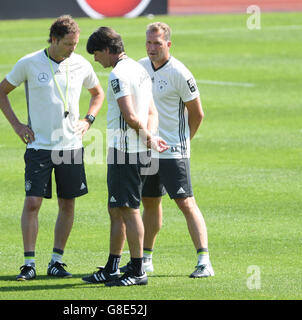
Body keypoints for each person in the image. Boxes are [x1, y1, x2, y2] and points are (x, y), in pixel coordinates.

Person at [0, 15, 104, 280]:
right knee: (32, 202)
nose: (73, 49)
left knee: (68, 203)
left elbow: (97, 93)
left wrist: (88, 120)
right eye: (68, 43)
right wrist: (18, 126)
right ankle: (29, 264)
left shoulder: (80, 63)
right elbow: (1, 92)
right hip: (39, 147)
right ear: (54, 39)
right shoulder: (29, 63)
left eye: (76, 43)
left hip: (71, 146)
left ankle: (56, 261)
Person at [120, 22, 214, 278]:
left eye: (157, 44)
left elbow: (198, 113)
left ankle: (204, 261)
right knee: (150, 203)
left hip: (173, 151)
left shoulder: (180, 73)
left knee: (185, 202)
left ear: (168, 44)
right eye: (149, 43)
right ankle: (146, 258)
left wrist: (185, 141)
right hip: (148, 148)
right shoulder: (139, 67)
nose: (152, 48)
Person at [82, 27, 168, 287]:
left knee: (129, 210)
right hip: (139, 149)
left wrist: (147, 138)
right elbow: (152, 111)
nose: (96, 60)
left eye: (97, 54)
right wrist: (150, 137)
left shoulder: (118, 74)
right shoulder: (140, 68)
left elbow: (130, 116)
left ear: (108, 50)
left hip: (125, 152)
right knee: (116, 208)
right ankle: (113, 265)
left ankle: (138, 269)